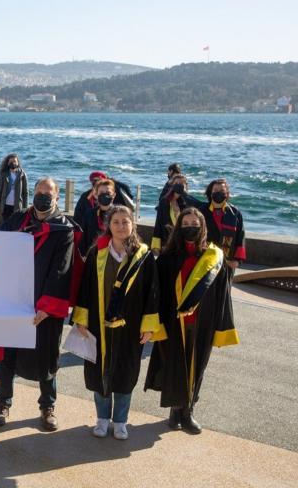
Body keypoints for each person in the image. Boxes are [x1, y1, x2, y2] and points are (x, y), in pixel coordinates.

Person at [0, 177, 76, 432]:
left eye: (48, 193)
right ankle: (2, 403)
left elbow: (62, 270)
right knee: (8, 355)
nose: (42, 197)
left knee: (47, 357)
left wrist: (46, 305)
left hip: (45, 306)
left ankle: (47, 406)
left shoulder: (64, 229)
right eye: (39, 192)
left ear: (57, 196)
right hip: (14, 301)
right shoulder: (17, 221)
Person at [145, 207, 239, 434]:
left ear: (203, 227)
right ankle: (175, 410)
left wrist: (222, 328)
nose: (190, 228)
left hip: (202, 323)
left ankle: (188, 412)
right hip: (172, 322)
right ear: (179, 228)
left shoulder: (214, 258)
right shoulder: (167, 259)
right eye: (185, 224)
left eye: (195, 224)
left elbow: (223, 296)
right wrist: (153, 324)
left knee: (197, 368)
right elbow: (155, 294)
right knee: (174, 366)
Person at [72, 205, 160, 440]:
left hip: (130, 327)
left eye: (125, 222)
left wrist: (149, 325)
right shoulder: (96, 253)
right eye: (116, 222)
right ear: (108, 226)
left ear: (133, 225)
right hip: (99, 325)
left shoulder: (143, 256)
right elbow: (85, 288)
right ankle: (102, 418)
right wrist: (81, 318)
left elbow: (153, 292)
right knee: (99, 372)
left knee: (125, 373)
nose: (121, 226)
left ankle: (120, 421)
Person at [181, 179, 246, 276]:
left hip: (227, 261)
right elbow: (187, 199)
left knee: (224, 289)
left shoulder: (235, 213)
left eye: (222, 191)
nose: (218, 193)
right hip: (205, 259)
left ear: (227, 194)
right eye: (215, 191)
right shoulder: (201, 210)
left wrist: (237, 260)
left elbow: (241, 236)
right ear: (210, 193)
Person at [77, 178, 117, 257]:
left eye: (108, 193)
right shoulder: (89, 214)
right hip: (91, 257)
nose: (105, 195)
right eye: (101, 192)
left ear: (114, 195)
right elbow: (83, 239)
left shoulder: (118, 214)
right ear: (96, 195)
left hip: (112, 257)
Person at [151, 173, 189, 252]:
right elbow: (158, 223)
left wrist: (185, 194)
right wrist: (156, 245)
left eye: (182, 184)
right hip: (167, 241)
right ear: (172, 186)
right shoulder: (164, 201)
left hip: (184, 243)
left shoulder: (189, 203)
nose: (179, 186)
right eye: (176, 183)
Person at [0, 153, 28, 226]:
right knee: (5, 225)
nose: (13, 163)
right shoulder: (4, 174)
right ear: (8, 163)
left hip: (17, 206)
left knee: (15, 225)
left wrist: (25, 208)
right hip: (5, 205)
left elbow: (25, 193)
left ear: (18, 162)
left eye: (15, 161)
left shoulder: (22, 174)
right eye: (11, 161)